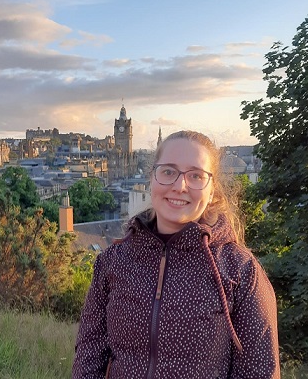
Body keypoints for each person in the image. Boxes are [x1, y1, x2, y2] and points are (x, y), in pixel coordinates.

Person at [72, 130, 280, 379]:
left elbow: (259, 372)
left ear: (212, 190)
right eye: (168, 171)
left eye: (195, 176)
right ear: (152, 179)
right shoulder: (113, 261)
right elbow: (88, 358)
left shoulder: (241, 270)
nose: (180, 186)